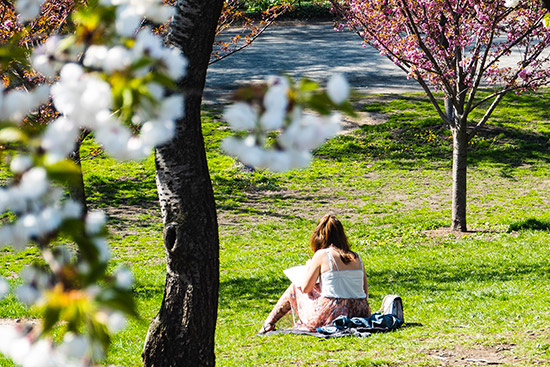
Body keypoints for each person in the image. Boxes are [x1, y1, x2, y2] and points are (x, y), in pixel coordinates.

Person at [258, 214, 371, 334]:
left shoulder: (322, 254)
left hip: (332, 315)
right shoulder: (357, 257)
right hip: (361, 312)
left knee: (295, 287)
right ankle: (269, 324)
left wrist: (310, 268)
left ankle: (268, 323)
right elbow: (365, 292)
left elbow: (306, 288)